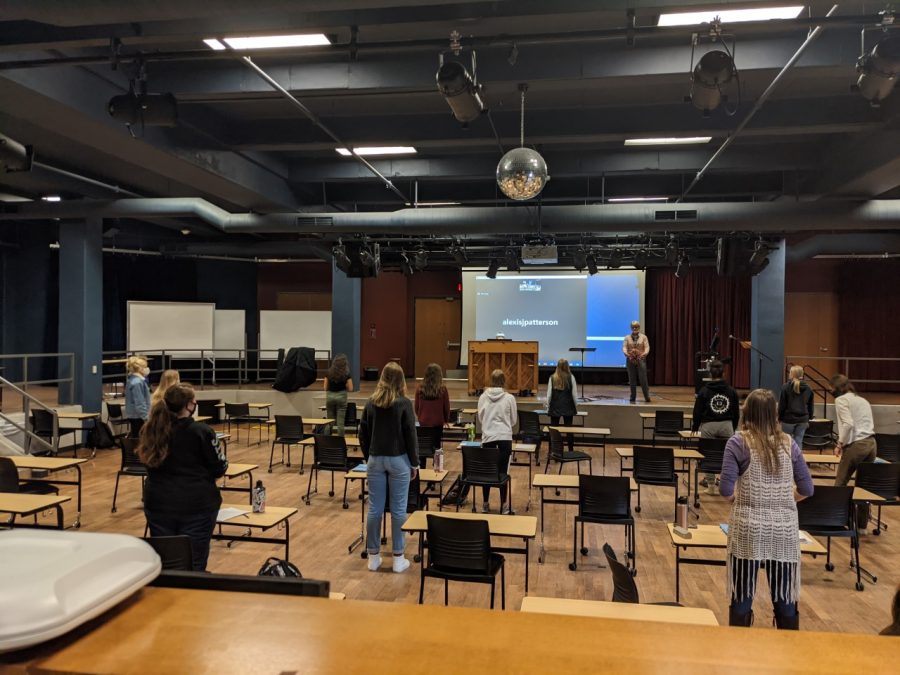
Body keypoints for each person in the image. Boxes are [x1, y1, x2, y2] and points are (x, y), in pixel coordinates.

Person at [719, 389, 814, 630]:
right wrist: (785, 499)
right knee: (785, 600)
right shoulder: (788, 443)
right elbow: (807, 488)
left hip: (747, 529)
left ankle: (739, 648)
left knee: (742, 597)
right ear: (774, 414)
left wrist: (739, 500)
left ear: (747, 412)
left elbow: (725, 489)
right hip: (783, 530)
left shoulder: (738, 442)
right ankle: (787, 649)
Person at [138, 383, 228, 572]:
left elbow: (146, 462)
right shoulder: (201, 431)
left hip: (158, 502)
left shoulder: (151, 429)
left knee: (166, 560)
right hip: (197, 504)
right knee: (194, 561)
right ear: (189, 405)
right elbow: (219, 467)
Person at [359, 362, 418, 573]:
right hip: (398, 459)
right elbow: (411, 434)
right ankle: (398, 558)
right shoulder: (404, 404)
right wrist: (415, 463)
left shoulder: (370, 402)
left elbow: (362, 433)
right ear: (401, 380)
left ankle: (373, 557)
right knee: (398, 509)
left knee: (375, 508)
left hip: (375, 459)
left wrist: (369, 457)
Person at [692, 360, 740, 494]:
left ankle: (711, 486)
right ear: (724, 373)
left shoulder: (704, 391)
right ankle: (727, 487)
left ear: (710, 374)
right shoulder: (731, 391)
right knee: (729, 456)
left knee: (707, 454)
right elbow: (736, 412)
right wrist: (733, 427)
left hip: (708, 426)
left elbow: (697, 411)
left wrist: (695, 427)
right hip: (727, 425)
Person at [477, 369, 518, 514]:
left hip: (488, 437)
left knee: (487, 471)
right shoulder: (509, 398)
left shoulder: (483, 397)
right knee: (503, 472)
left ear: (491, 381)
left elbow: (481, 418)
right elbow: (513, 420)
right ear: (504, 381)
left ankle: (485, 504)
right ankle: (503, 506)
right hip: (504, 438)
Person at [832, 374, 877, 487]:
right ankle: (862, 505)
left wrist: (839, 444)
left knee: (840, 484)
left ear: (837, 387)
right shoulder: (863, 400)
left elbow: (848, 424)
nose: (831, 391)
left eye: (831, 388)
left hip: (856, 445)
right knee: (863, 486)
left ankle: (839, 505)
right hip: (872, 444)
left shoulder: (841, 400)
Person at [415, 363, 451, 467]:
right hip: (437, 424)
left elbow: (416, 407)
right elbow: (446, 407)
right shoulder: (443, 390)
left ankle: (422, 470)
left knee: (422, 448)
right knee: (437, 448)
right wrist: (446, 420)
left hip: (423, 423)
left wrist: (421, 417)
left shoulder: (420, 389)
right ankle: (437, 470)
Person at [779, 366, 814, 448]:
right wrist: (809, 418)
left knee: (785, 442)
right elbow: (810, 405)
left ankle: (786, 460)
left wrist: (779, 418)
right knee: (798, 442)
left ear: (791, 374)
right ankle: (797, 460)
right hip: (803, 419)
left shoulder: (785, 387)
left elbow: (782, 405)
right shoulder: (809, 388)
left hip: (788, 419)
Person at [547, 358, 577, 452]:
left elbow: (549, 395)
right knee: (569, 430)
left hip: (555, 407)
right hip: (568, 407)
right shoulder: (571, 377)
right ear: (567, 366)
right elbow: (574, 395)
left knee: (554, 431)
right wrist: (575, 406)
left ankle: (554, 450)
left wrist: (548, 407)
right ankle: (570, 450)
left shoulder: (552, 377)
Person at [324, 354, 354, 436]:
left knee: (329, 421)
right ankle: (340, 443)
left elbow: (325, 388)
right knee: (340, 423)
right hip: (341, 397)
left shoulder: (328, 372)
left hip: (330, 397)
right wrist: (345, 385)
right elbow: (351, 388)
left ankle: (325, 441)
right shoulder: (347, 374)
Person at [622, 320, 650, 403]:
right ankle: (632, 397)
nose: (635, 328)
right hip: (630, 360)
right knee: (632, 380)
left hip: (641, 360)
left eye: (636, 327)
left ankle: (647, 397)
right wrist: (627, 354)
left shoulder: (644, 337)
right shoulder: (627, 337)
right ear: (631, 328)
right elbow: (624, 347)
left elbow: (647, 347)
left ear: (639, 327)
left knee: (643, 379)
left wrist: (644, 354)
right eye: (633, 327)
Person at [125, 356, 151, 438]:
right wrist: (146, 418)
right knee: (140, 441)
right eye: (145, 367)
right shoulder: (137, 383)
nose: (147, 369)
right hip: (139, 417)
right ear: (140, 369)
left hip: (136, 415)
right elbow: (140, 402)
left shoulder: (132, 380)